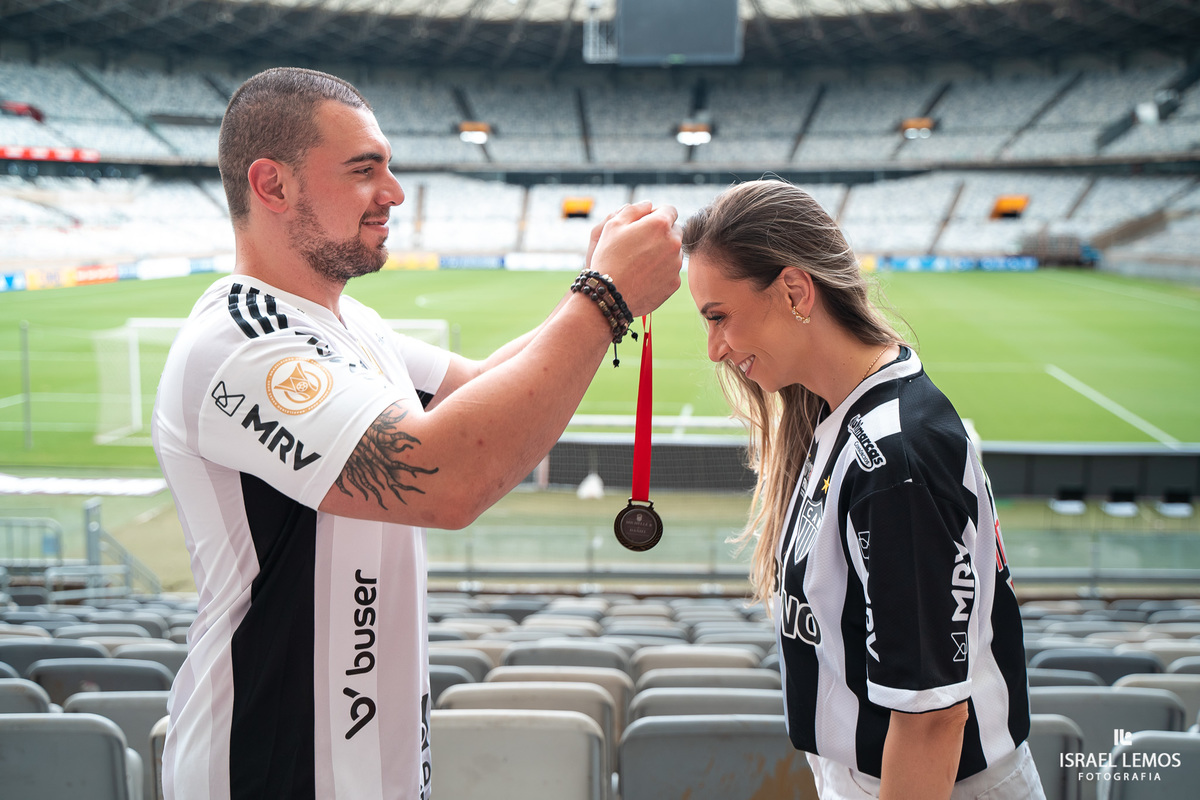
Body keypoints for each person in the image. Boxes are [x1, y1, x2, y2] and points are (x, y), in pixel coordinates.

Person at [151, 67, 681, 800]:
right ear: (272, 186)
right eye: (365, 170)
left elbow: (486, 389)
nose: (395, 192)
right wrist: (605, 299)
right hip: (270, 774)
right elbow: (444, 477)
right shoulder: (241, 346)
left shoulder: (345, 324)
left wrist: (597, 284)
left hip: (374, 774)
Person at [681, 179, 1041, 800]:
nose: (714, 348)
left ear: (795, 291)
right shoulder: (840, 416)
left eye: (719, 316)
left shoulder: (895, 460)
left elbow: (931, 720)